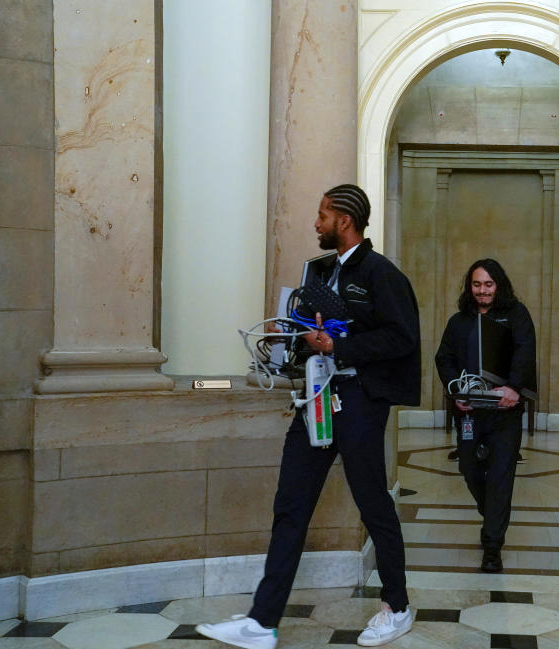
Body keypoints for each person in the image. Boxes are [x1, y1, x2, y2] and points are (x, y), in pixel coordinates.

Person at [197, 184, 420, 649]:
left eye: (322, 215)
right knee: (290, 505)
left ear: (345, 219)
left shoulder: (381, 274)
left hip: (359, 401)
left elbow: (402, 339)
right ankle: (263, 622)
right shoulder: (318, 273)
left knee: (373, 505)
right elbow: (316, 334)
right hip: (315, 396)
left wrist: (340, 346)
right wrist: (290, 334)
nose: (315, 223)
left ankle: (396, 607)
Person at [434, 259, 536, 573]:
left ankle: (492, 546)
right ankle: (491, 512)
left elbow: (525, 351)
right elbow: (444, 358)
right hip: (470, 413)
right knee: (469, 468)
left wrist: (514, 388)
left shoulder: (517, 315)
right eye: (477, 285)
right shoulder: (458, 321)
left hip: (505, 410)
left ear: (498, 285)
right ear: (470, 287)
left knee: (501, 477)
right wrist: (455, 394)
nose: (482, 291)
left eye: (488, 285)